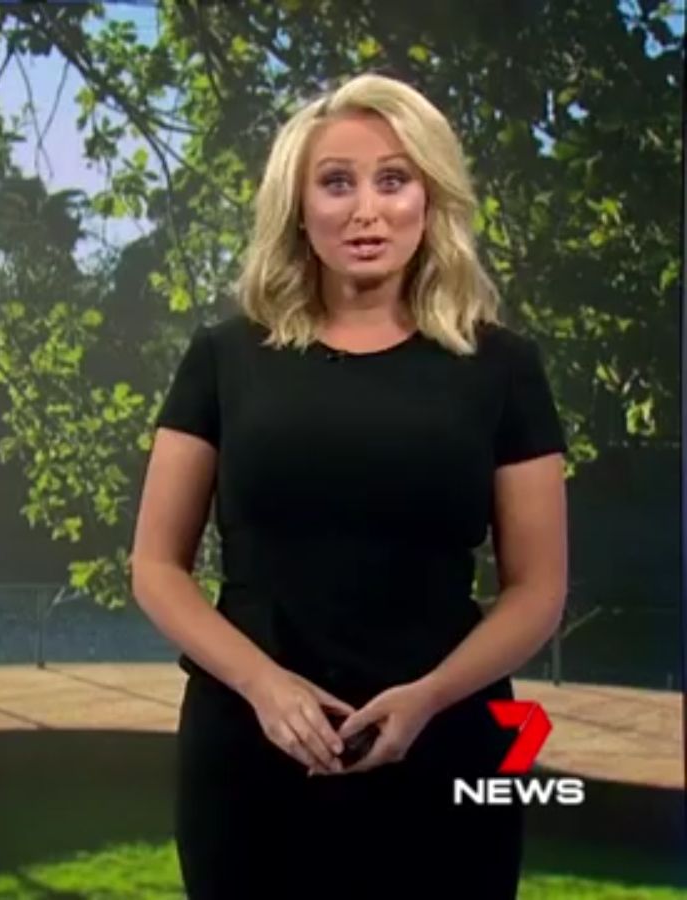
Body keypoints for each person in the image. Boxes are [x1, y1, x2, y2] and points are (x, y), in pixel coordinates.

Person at [130, 73, 568, 900]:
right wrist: (263, 685)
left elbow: (537, 590)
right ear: (298, 207)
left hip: (448, 748)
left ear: (430, 199)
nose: (368, 210)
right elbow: (155, 566)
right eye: (337, 183)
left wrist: (430, 698)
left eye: (393, 180)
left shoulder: (504, 368)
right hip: (250, 751)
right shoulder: (223, 359)